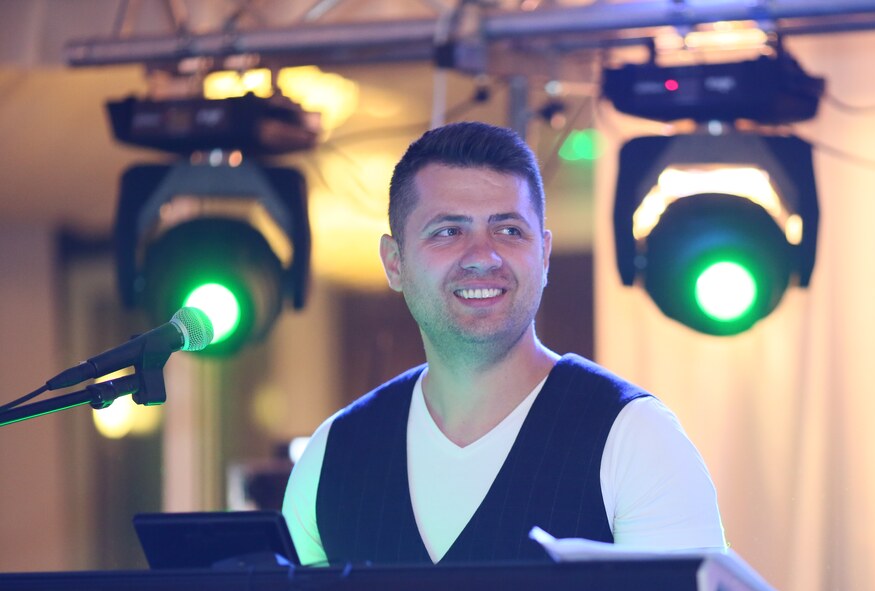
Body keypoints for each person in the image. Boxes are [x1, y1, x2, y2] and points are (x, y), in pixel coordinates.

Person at [282, 121, 725, 566]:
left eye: (509, 230)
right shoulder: (331, 456)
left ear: (544, 255)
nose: (483, 256)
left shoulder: (636, 437)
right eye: (448, 231)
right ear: (395, 263)